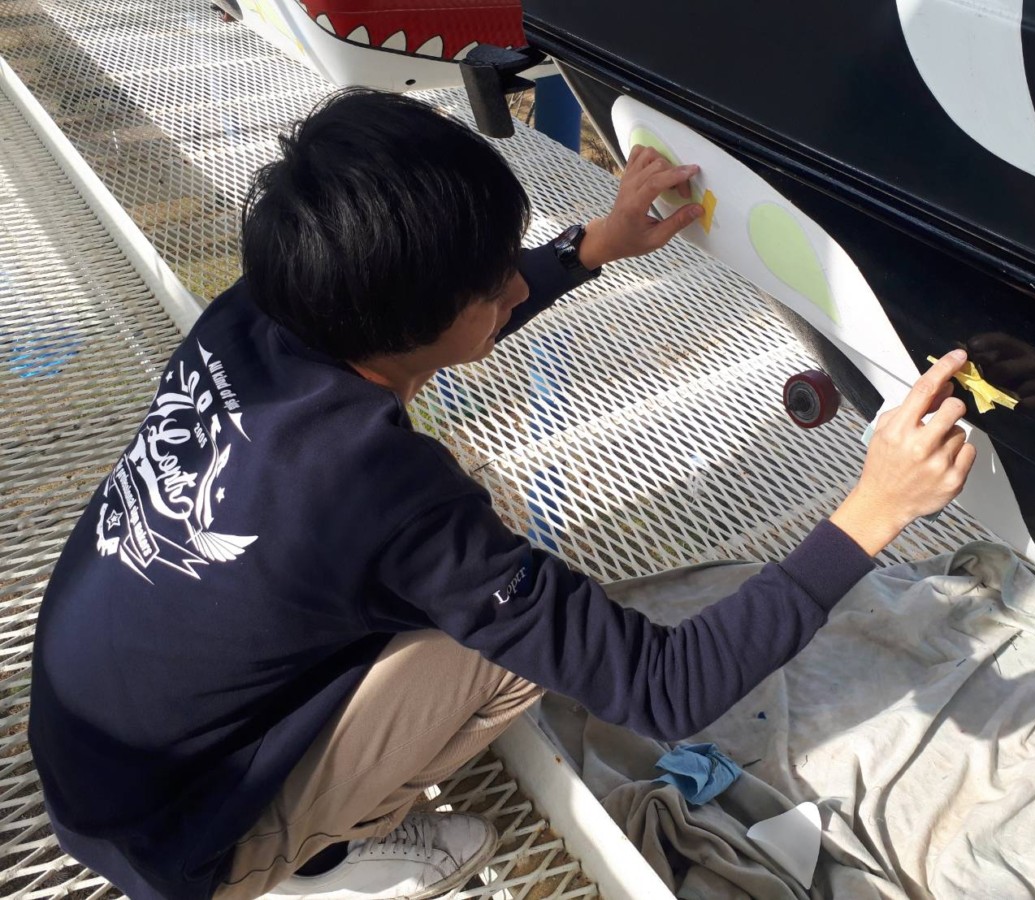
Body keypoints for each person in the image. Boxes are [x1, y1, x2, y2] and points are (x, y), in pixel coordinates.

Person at [29, 88, 975, 900]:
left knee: (474, 574)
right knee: (508, 657)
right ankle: (324, 860)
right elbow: (665, 688)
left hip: (100, 751)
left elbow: (433, 318)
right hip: (180, 842)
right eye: (495, 285)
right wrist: (873, 510)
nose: (512, 292)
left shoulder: (259, 310)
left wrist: (590, 247)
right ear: (414, 315)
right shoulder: (385, 494)